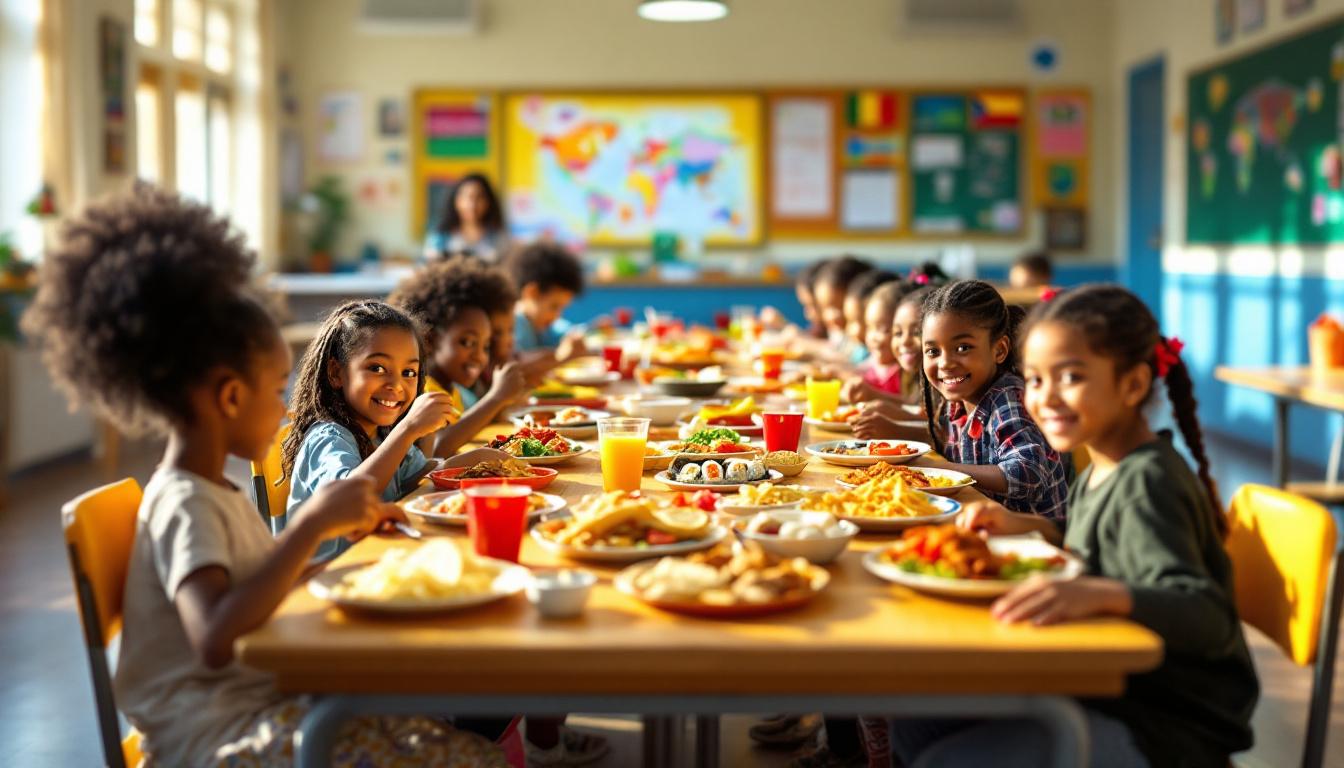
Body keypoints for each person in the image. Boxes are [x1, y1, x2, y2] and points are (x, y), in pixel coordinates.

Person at [21, 185, 507, 766]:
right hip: (218, 736)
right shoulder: (183, 502)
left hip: (267, 704)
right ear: (230, 396)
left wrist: (339, 564)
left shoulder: (213, 490)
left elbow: (261, 594)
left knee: (454, 737)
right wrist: (311, 528)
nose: (284, 409)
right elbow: (215, 636)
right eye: (276, 390)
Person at [894, 285, 1258, 768]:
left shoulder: (1147, 482)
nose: (1044, 398)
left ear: (1133, 385)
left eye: (1070, 377)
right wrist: (1035, 528)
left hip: (1163, 723)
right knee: (912, 718)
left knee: (940, 757)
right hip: (1100, 681)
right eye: (1036, 379)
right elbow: (1106, 545)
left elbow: (1205, 614)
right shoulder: (1102, 468)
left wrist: (1101, 593)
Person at [281, 301, 504, 562]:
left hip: (383, 558)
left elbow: (426, 473)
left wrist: (480, 459)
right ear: (336, 373)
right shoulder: (327, 438)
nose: (397, 385)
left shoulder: (382, 435)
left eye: (409, 372)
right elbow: (349, 496)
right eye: (377, 368)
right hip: (333, 573)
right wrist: (408, 429)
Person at [915, 280, 1068, 521]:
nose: (945, 363)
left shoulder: (1009, 400)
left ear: (999, 350)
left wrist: (947, 470)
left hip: (1030, 538)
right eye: (933, 351)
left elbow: (1027, 473)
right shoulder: (958, 401)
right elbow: (938, 434)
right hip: (983, 524)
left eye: (963, 348)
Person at [387, 260, 536, 458]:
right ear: (430, 340)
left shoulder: (453, 390)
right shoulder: (424, 389)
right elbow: (437, 449)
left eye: (485, 346)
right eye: (467, 342)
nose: (480, 356)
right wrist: (496, 398)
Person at [851, 286, 933, 442]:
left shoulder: (943, 380)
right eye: (898, 333)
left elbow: (948, 434)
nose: (905, 341)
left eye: (916, 332)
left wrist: (897, 428)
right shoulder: (912, 377)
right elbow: (915, 406)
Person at [505, 242, 588, 365]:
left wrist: (585, 331)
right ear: (532, 292)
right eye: (554, 306)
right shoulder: (513, 327)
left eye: (562, 308)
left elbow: (563, 330)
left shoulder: (540, 325)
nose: (557, 316)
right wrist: (560, 356)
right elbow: (517, 365)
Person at [423, 173, 510, 263]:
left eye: (479, 197)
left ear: (488, 202)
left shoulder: (499, 238)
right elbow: (428, 263)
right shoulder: (440, 237)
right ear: (456, 201)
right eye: (467, 197)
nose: (472, 205)